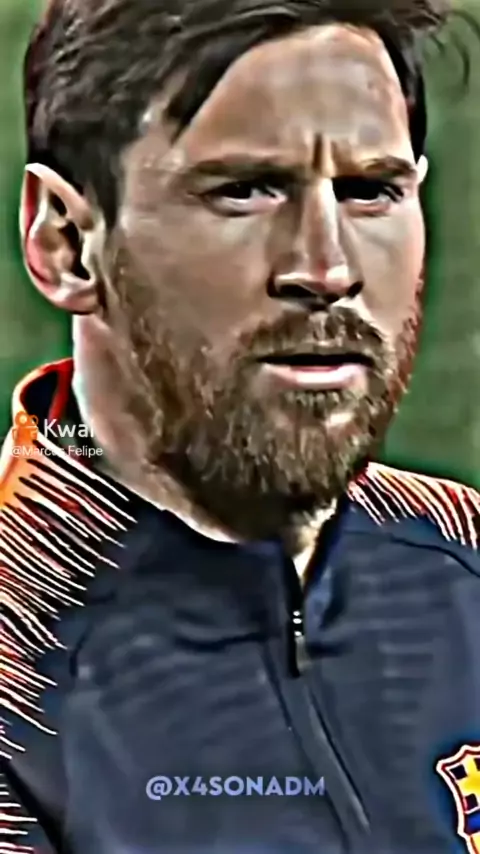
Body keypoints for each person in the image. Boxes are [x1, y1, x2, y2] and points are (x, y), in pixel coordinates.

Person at [1, 0, 479, 852]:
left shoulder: (462, 552)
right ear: (67, 242)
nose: (326, 269)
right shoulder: (18, 678)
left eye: (370, 191)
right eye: (245, 191)